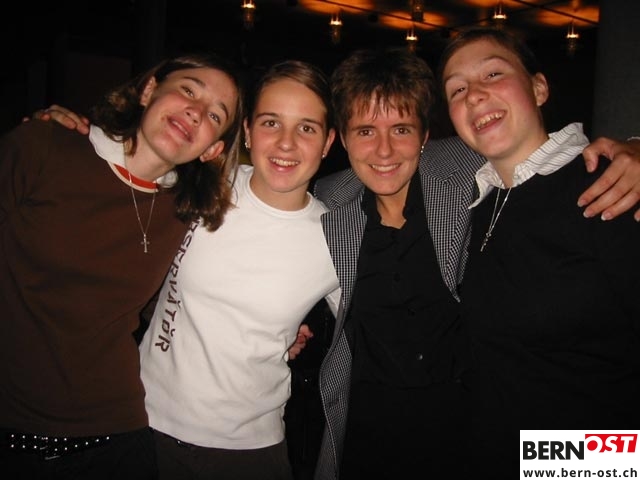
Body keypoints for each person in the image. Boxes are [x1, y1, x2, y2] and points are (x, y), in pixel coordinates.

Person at [312, 47, 640, 480]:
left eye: (402, 129)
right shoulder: (328, 201)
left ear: (425, 136)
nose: (384, 150)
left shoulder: (469, 171)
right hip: (368, 434)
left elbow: (536, 147)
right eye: (366, 131)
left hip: (475, 433)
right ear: (343, 138)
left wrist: (633, 148)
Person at [33, 59, 341, 480]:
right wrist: (68, 132)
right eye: (271, 122)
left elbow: (370, 336)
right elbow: (126, 162)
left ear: (328, 142)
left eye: (306, 128)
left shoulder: (337, 238)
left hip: (245, 452)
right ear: (247, 131)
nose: (286, 143)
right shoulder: (202, 182)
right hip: (138, 425)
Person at [0, 52, 244, 480]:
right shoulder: (46, 145)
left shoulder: (186, 212)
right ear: (149, 90)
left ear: (213, 149)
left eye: (214, 115)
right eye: (188, 90)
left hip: (116, 434)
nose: (195, 111)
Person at [439, 26, 640, 478]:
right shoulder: (482, 201)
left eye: (493, 73)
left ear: (539, 88)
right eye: (457, 90)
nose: (474, 94)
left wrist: (552, 463)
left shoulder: (607, 185)